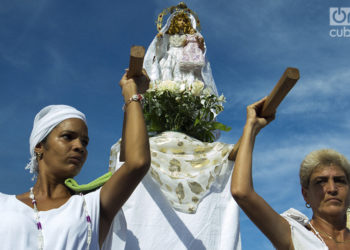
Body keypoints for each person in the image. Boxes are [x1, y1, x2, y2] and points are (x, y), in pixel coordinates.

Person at [0, 71, 151, 249]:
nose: (80, 146)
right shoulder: (4, 205)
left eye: (84, 142)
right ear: (39, 146)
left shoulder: (92, 208)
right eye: (67, 137)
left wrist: (131, 93)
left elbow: (137, 163)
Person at [231, 97, 350, 249]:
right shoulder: (295, 234)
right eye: (321, 181)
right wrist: (251, 128)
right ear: (305, 194)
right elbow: (242, 192)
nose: (332, 189)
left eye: (340, 180)